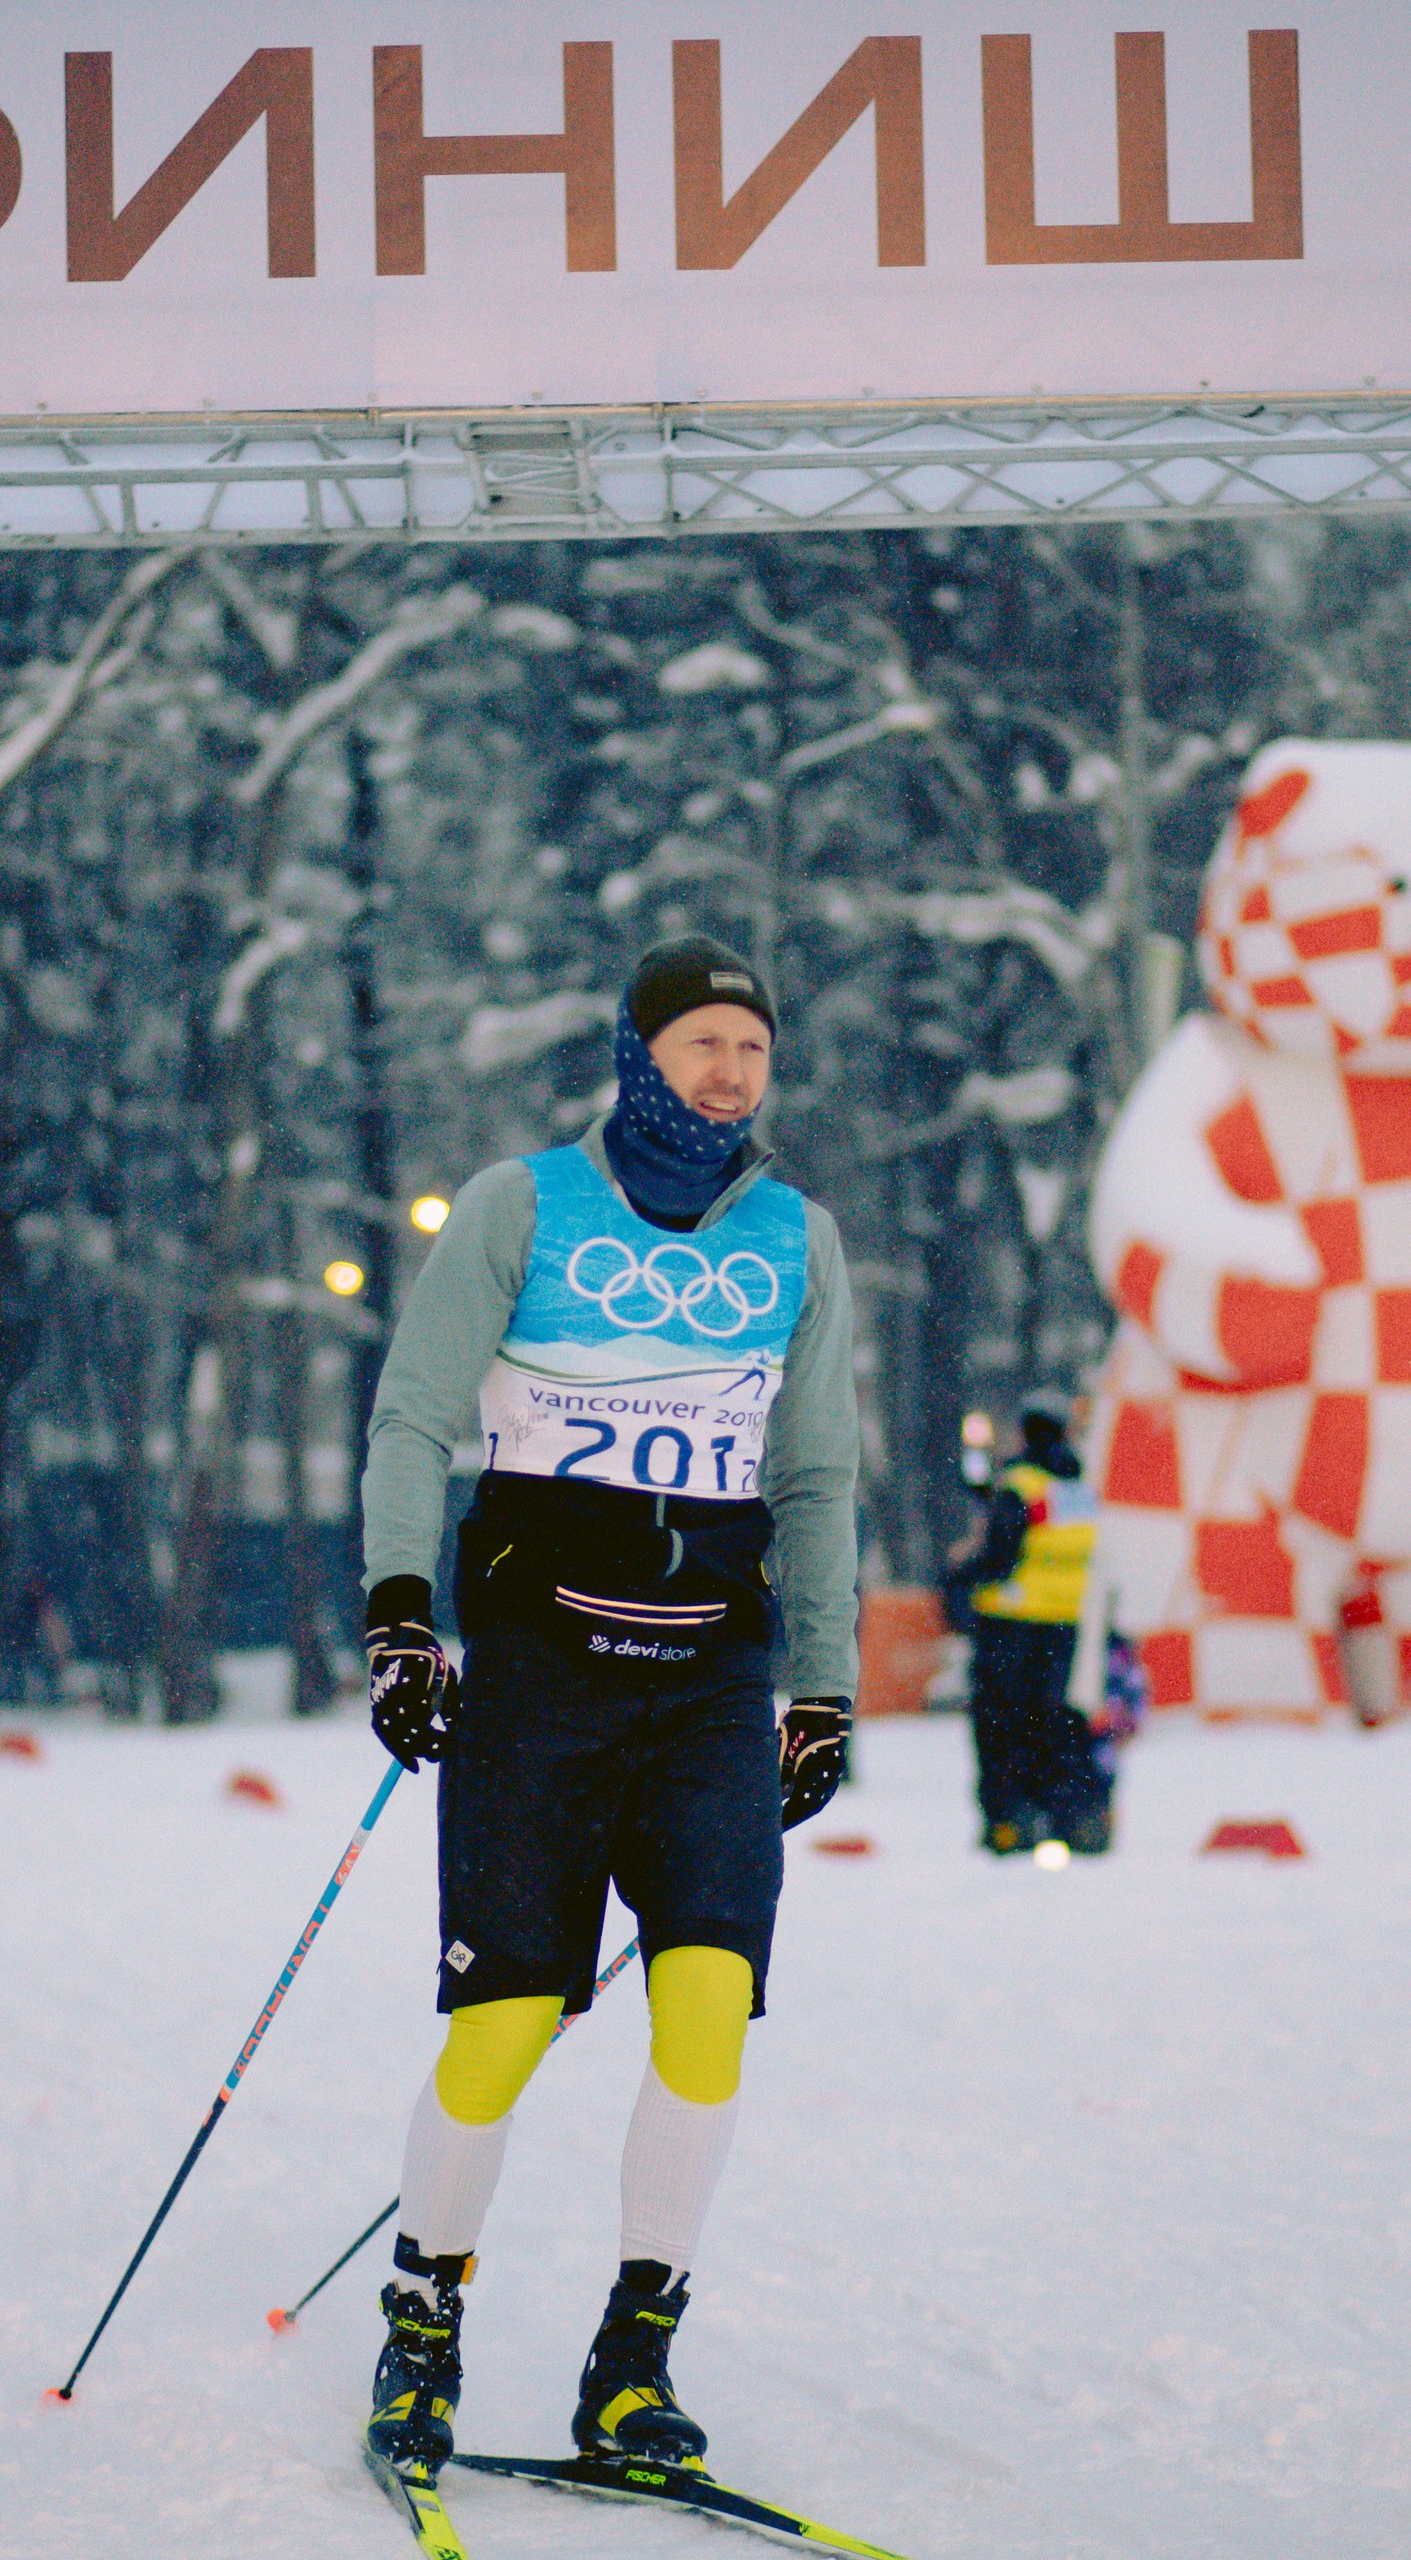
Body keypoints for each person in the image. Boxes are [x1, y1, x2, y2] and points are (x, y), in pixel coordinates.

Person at [357, 933, 859, 2479]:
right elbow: (415, 1416)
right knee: (504, 2021)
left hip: (710, 1676)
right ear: (639, 1056)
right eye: (702, 1044)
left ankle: (632, 2363)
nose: (729, 1074)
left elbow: (815, 1471)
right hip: (539, 1674)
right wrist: (396, 1618)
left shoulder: (793, 1235)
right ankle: (422, 2327)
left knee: (708, 2010)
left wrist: (825, 1683)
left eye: (752, 1053)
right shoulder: (523, 1207)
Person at [945, 1390, 1108, 1855]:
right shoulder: (1079, 1488)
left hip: (1009, 1624)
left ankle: (1009, 1822)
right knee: (1050, 1724)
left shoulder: (1020, 1485)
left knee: (1000, 1728)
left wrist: (957, 1578)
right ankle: (1062, 1816)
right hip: (1063, 1625)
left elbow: (999, 1554)